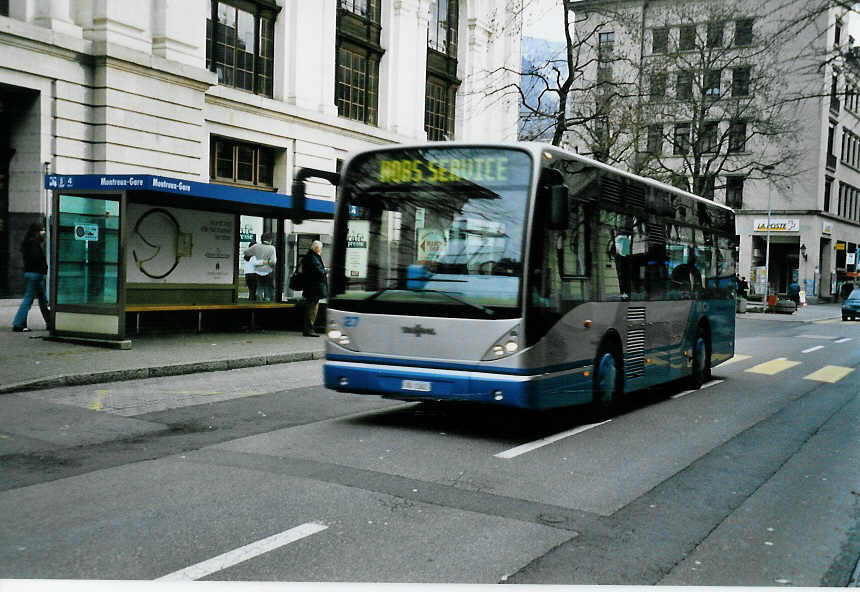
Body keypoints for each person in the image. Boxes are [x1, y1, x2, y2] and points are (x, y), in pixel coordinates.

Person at [12, 222, 51, 333]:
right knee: (28, 300)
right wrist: (44, 268)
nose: (44, 232)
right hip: (35, 274)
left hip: (32, 273)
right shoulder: (33, 244)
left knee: (43, 300)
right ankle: (18, 323)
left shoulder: (29, 243)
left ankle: (50, 322)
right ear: (36, 232)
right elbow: (37, 259)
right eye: (42, 230)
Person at [301, 240, 327, 337]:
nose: (321, 250)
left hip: (311, 287)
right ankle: (309, 329)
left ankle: (308, 328)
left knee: (311, 307)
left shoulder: (310, 256)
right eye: (320, 248)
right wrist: (325, 271)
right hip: (313, 287)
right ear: (317, 248)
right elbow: (319, 271)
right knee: (312, 308)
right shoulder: (313, 257)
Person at [246, 232, 277, 302]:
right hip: (268, 270)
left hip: (258, 271)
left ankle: (258, 297)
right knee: (270, 286)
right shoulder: (271, 248)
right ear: (270, 240)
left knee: (260, 286)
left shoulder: (257, 248)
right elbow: (273, 261)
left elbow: (247, 256)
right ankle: (270, 298)